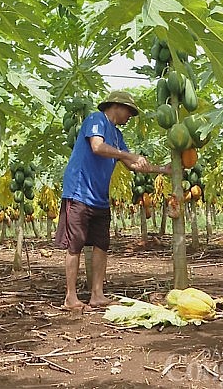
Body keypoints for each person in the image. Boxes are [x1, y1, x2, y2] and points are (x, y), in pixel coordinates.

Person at [55, 90, 170, 310]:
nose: (129, 117)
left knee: (101, 245)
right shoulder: (96, 119)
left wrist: (161, 170)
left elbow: (131, 164)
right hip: (79, 192)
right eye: (129, 112)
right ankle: (71, 297)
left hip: (99, 197)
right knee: (75, 245)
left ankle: (97, 294)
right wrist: (128, 155)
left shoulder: (117, 136)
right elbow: (97, 147)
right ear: (116, 106)